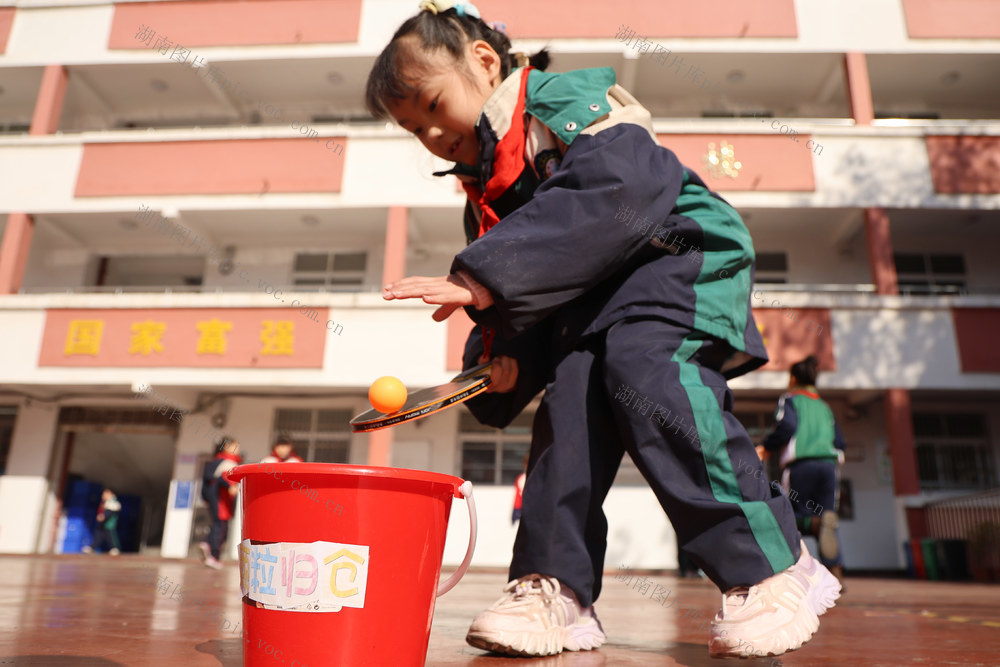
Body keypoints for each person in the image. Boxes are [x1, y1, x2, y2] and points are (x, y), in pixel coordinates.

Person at [368, 1, 840, 659]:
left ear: (481, 61)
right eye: (410, 127)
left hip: (677, 252)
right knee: (567, 399)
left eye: (430, 105)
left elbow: (621, 185)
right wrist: (503, 361)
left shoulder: (559, 99)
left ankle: (772, 563)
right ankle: (555, 587)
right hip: (599, 298)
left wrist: (483, 279)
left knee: (645, 363)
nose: (428, 134)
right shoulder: (486, 196)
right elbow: (530, 298)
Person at [762, 355, 847, 583]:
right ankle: (835, 577)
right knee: (828, 518)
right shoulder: (824, 406)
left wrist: (767, 447)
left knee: (790, 517)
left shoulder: (790, 400)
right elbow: (839, 441)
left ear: (792, 378)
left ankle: (784, 576)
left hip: (801, 467)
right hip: (828, 467)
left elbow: (787, 426)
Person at [199, 436, 242, 570]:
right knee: (221, 527)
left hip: (216, 500)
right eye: (235, 445)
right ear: (226, 447)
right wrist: (231, 486)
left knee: (218, 525)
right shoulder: (228, 462)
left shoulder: (217, 461)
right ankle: (213, 556)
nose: (238, 448)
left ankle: (207, 543)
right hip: (221, 501)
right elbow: (224, 479)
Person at [82, 487, 121, 556]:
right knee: (98, 536)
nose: (103, 496)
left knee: (110, 537)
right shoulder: (106, 502)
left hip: (109, 524)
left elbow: (109, 512)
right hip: (103, 524)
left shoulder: (113, 503)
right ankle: (92, 547)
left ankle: (115, 548)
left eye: (105, 494)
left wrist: (103, 517)